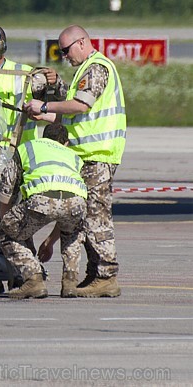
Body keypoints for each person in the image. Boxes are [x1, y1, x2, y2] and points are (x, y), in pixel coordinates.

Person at [25, 25, 126, 298]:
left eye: (66, 51)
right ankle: (96, 275)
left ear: (81, 43)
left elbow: (81, 106)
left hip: (98, 156)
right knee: (84, 216)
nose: (64, 56)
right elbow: (73, 116)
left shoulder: (96, 68)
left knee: (96, 217)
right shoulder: (86, 69)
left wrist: (45, 106)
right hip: (87, 156)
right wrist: (43, 114)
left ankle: (106, 275)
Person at [0, 23, 67, 296]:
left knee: (14, 221)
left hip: (15, 157)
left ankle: (28, 275)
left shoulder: (23, 75)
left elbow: (61, 99)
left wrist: (55, 82)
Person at [0, 123, 87, 299]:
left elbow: (8, 189)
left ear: (43, 138)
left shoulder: (28, 148)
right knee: (72, 232)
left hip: (42, 200)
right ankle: (70, 282)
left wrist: (6, 220)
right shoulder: (74, 156)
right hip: (77, 202)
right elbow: (63, 212)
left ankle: (33, 279)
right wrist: (49, 242)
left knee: (6, 234)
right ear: (66, 143)